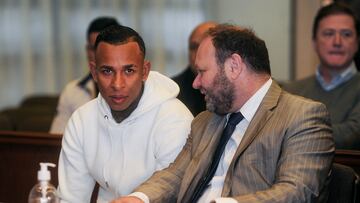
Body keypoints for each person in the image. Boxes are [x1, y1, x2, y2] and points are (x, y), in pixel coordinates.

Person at [111, 24, 334, 203]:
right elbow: (176, 175)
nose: (196, 83)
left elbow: (296, 192)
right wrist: (138, 198)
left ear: (234, 66)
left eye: (202, 71)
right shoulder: (205, 121)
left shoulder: (302, 116)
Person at [57, 25, 193, 202]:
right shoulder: (82, 120)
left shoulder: (174, 119)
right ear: (94, 72)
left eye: (129, 71)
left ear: (144, 71)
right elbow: (70, 198)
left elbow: (172, 192)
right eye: (107, 71)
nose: (117, 84)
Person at [283, 2, 360, 149]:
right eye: (328, 33)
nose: (337, 42)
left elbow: (352, 135)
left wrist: (294, 131)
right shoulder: (290, 91)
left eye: (346, 34)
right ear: (314, 43)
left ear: (357, 43)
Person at [50, 16, 120, 134]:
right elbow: (57, 139)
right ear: (87, 50)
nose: (99, 55)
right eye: (94, 48)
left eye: (105, 49)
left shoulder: (139, 90)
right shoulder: (72, 91)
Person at [172, 21, 217, 116]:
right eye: (194, 47)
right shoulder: (173, 90)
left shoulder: (233, 89)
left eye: (206, 46)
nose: (199, 53)